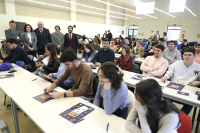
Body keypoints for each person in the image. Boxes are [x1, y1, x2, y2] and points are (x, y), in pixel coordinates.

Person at [161, 48, 200, 115]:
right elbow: (169, 73)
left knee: (189, 104)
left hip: (188, 89)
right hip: (174, 87)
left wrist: (199, 82)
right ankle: (172, 114)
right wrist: (165, 77)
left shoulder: (198, 67)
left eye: (189, 55)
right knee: (164, 100)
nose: (187, 56)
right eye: (185, 55)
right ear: (183, 56)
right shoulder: (176, 64)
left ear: (193, 56)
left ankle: (180, 117)